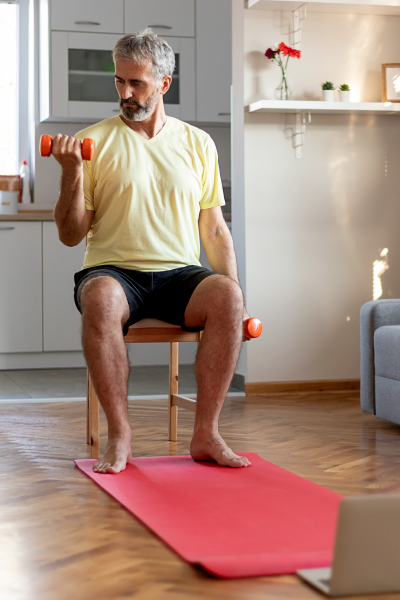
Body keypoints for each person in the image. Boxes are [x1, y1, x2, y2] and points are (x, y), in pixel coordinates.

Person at [53, 28, 251, 474]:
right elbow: (70, 234)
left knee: (227, 296)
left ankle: (206, 433)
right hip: (113, 271)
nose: (125, 92)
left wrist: (236, 296)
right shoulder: (92, 142)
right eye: (119, 81)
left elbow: (215, 230)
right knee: (100, 296)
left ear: (164, 84)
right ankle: (120, 436)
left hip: (179, 273)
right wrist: (71, 174)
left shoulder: (199, 143)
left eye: (136, 82)